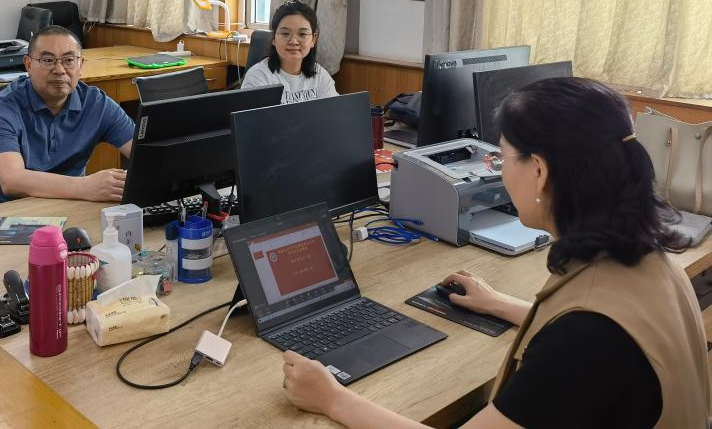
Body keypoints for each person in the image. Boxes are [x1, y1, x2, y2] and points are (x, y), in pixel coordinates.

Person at [282, 77, 709, 428]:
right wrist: (503, 305)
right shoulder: (645, 255)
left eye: (502, 159)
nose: (499, 172)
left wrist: (332, 398)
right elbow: (595, 335)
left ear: (539, 171)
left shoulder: (584, 338)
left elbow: (583, 345)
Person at [0, 25, 135, 207]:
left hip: (68, 204)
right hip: (1, 208)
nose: (59, 69)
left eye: (69, 60)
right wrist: (85, 186)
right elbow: (11, 181)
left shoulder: (97, 104)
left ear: (81, 65)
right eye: (48, 60)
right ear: (28, 65)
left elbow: (144, 152)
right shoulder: (4, 106)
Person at [241, 0, 338, 104]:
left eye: (302, 34)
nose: (294, 41)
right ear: (273, 38)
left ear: (313, 40)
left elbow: (335, 111)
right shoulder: (258, 77)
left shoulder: (320, 75)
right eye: (285, 34)